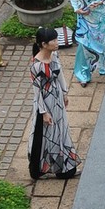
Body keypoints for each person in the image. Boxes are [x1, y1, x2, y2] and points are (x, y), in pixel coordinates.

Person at [28, 28, 79, 179]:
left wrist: (64, 92)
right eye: (54, 41)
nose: (57, 43)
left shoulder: (54, 55)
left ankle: (65, 166)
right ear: (44, 44)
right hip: (46, 103)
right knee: (47, 136)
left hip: (57, 100)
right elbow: (37, 92)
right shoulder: (36, 66)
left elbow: (60, 74)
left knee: (62, 131)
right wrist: (44, 112)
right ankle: (42, 168)